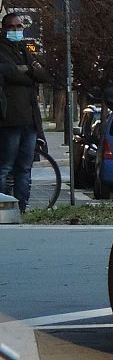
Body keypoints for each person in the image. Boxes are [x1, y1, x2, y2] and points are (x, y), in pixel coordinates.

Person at [0, 13, 50, 212]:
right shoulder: (2, 50)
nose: (17, 30)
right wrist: (29, 72)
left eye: (19, 26)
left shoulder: (24, 50)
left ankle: (21, 206)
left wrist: (26, 70)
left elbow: (43, 75)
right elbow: (8, 73)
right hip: (9, 119)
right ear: (4, 29)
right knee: (5, 167)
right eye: (12, 27)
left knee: (25, 168)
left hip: (30, 120)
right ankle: (3, 207)